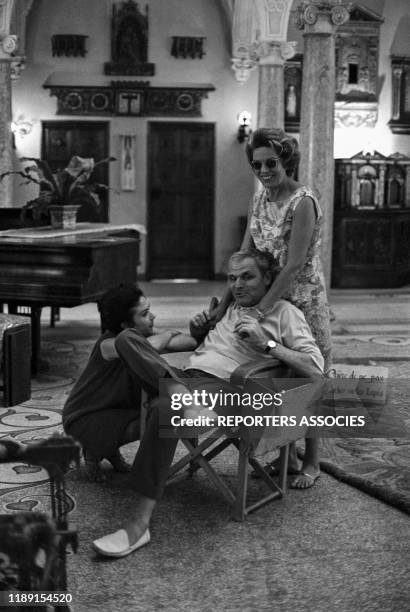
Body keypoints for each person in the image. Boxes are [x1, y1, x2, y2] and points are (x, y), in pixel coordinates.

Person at [90, 249, 324, 558]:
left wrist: (266, 344)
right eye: (232, 278)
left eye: (248, 277)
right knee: (126, 339)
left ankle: (138, 524)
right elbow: (204, 344)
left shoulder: (284, 313)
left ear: (269, 279)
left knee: (164, 409)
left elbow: (314, 368)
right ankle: (181, 397)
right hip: (187, 380)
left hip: (225, 391)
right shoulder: (228, 309)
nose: (238, 285)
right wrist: (199, 331)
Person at [213, 128, 332, 489]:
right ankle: (285, 452)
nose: (263, 170)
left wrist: (259, 312)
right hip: (268, 295)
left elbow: (295, 264)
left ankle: (312, 460)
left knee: (309, 378)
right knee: (278, 377)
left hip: (302, 299)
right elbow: (244, 257)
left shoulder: (303, 201)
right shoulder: (259, 199)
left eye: (271, 163)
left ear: (286, 161)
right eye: (257, 164)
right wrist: (223, 308)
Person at [62, 284, 198, 481]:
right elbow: (141, 347)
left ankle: (109, 449)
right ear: (126, 326)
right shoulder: (107, 344)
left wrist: (199, 330)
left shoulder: (142, 335)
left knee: (155, 411)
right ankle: (93, 450)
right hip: (83, 417)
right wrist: (168, 334)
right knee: (151, 421)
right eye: (145, 314)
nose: (153, 317)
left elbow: (190, 342)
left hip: (114, 409)